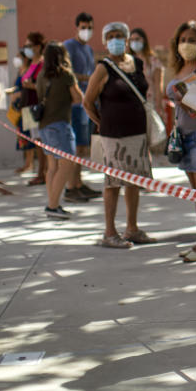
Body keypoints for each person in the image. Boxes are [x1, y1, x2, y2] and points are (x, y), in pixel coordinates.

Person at [82, 22, 156, 248]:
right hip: (113, 137)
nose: (115, 40)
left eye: (119, 36)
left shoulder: (137, 63)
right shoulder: (103, 68)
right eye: (110, 36)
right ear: (105, 42)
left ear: (126, 39)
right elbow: (87, 102)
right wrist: (101, 123)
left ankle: (132, 228)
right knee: (113, 183)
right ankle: (109, 232)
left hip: (137, 134)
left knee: (134, 182)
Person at [165, 21, 196, 268]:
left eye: (192, 40)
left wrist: (186, 100)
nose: (187, 44)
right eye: (183, 39)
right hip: (183, 136)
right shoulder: (178, 67)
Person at [36, 42, 84, 219]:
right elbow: (78, 98)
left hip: (44, 126)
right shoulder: (65, 75)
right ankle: (52, 205)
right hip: (60, 125)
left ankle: (53, 204)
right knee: (67, 164)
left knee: (52, 167)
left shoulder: (41, 75)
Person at [62, 12, 102, 201]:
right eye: (83, 27)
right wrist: (90, 79)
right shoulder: (68, 47)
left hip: (87, 101)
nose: (86, 31)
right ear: (76, 27)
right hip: (75, 103)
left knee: (82, 147)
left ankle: (78, 182)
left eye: (89, 27)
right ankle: (71, 187)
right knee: (76, 147)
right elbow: (67, 73)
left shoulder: (88, 49)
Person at [19, 33, 47, 185]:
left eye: (29, 45)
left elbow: (43, 87)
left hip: (36, 107)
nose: (26, 49)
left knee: (40, 141)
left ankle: (42, 173)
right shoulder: (30, 63)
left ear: (37, 46)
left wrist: (30, 85)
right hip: (27, 107)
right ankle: (40, 171)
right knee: (35, 142)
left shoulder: (42, 64)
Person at [129, 27, 164, 109]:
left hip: (149, 103)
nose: (134, 42)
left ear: (144, 40)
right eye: (132, 40)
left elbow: (158, 85)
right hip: (131, 103)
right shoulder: (127, 61)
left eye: (137, 39)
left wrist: (159, 105)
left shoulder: (153, 61)